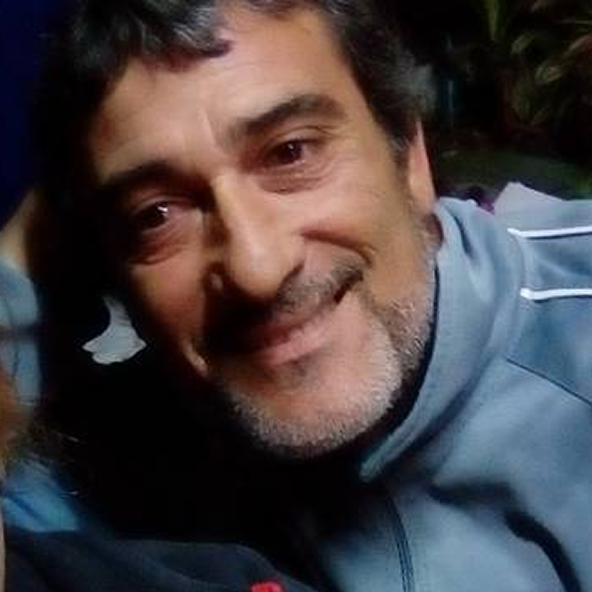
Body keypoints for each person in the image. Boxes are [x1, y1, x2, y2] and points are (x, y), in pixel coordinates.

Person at [32, 0, 592, 590]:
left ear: (409, 158)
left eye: (291, 152)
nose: (256, 269)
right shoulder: (127, 461)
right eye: (156, 215)